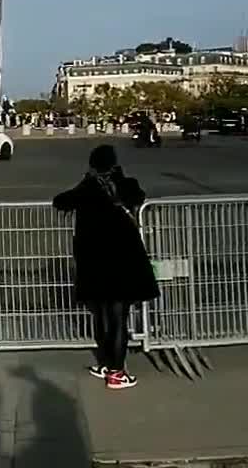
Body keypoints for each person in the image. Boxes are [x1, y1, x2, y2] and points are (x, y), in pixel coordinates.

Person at [52, 144, 159, 390]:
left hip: (94, 260)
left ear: (92, 164)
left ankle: (106, 364)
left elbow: (60, 201)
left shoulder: (87, 189)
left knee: (100, 314)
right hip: (123, 258)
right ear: (114, 163)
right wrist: (118, 177)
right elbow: (138, 197)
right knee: (119, 316)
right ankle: (117, 371)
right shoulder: (126, 184)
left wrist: (85, 181)